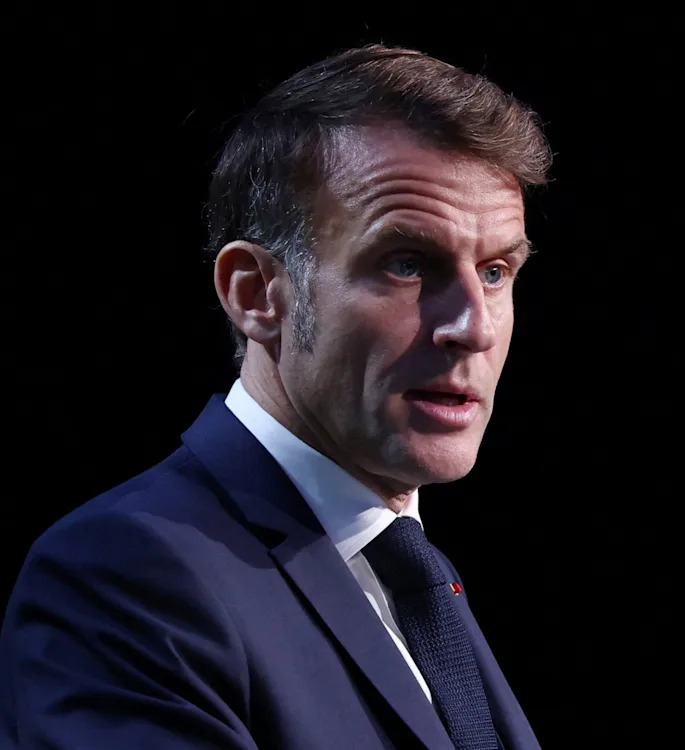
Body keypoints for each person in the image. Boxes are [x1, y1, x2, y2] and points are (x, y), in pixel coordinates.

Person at [0, 43, 551, 749]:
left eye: (496, 271)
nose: (474, 327)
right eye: (407, 264)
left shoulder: (414, 575)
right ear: (256, 293)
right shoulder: (122, 576)